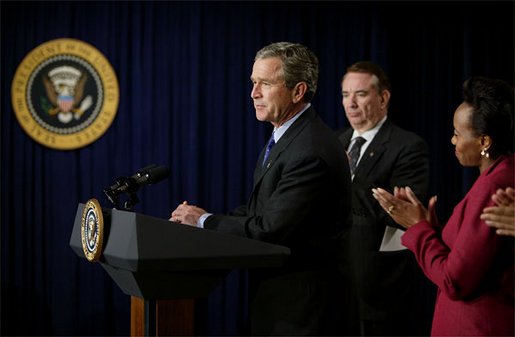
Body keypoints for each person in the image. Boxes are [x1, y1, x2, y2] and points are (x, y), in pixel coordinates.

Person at [170, 42, 352, 336]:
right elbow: (262, 209)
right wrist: (203, 220)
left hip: (304, 312)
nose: (253, 93)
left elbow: (270, 229)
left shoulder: (309, 149)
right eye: (254, 83)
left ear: (298, 91)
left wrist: (204, 221)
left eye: (265, 84)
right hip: (282, 303)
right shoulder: (288, 136)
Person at [372, 76, 514, 336]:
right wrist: (432, 229)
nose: (452, 142)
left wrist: (418, 229)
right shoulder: (499, 175)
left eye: (458, 134)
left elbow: (455, 281)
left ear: (484, 142)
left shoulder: (494, 188)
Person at [336, 61, 434, 336]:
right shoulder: (334, 143)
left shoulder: (408, 146)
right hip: (330, 283)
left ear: (383, 98)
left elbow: (399, 212)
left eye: (361, 94)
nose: (351, 104)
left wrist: (346, 178)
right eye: (345, 95)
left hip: (375, 289)